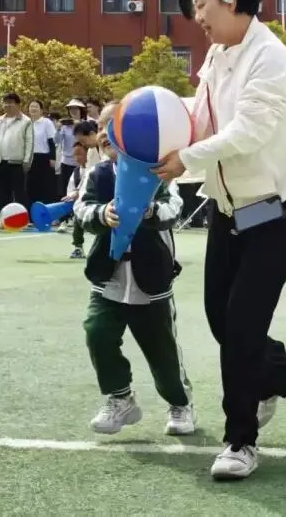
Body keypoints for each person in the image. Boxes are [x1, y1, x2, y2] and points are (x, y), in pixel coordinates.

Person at [153, 0, 286, 481]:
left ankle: (240, 441)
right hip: (229, 207)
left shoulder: (269, 57)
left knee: (244, 323)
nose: (196, 18)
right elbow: (203, 118)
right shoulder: (217, 56)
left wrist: (186, 158)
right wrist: (149, 122)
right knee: (220, 317)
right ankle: (271, 371)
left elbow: (250, 131)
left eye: (200, 5)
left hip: (279, 209)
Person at [74, 104, 195, 437]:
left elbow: (174, 207)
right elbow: (81, 208)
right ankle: (120, 397)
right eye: (101, 128)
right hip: (108, 275)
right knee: (97, 333)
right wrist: (102, 214)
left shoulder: (158, 172)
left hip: (151, 277)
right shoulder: (98, 174)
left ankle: (180, 403)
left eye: (112, 126)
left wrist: (150, 210)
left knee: (162, 351)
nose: (104, 133)